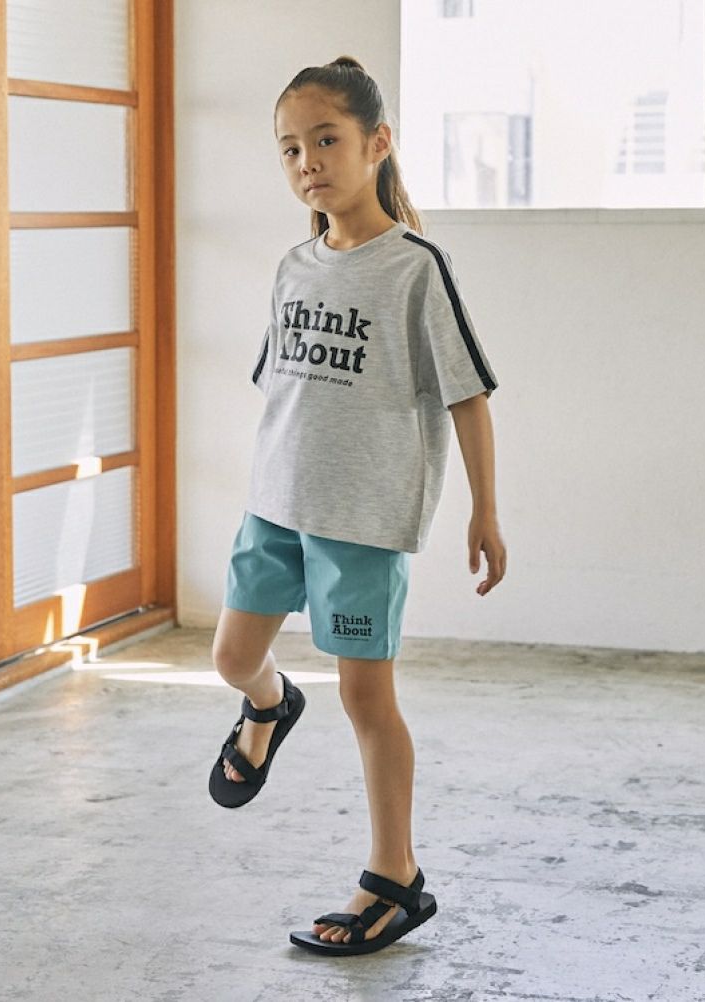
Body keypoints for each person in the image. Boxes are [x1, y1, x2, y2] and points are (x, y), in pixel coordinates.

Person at [207, 56, 507, 956]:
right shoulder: (294, 266)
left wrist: (484, 512)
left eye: (326, 139)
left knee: (366, 698)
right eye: (290, 148)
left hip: (364, 522)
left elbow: (467, 396)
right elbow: (284, 390)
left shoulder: (415, 268)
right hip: (275, 506)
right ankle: (268, 708)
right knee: (232, 659)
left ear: (378, 144)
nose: (307, 161)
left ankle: (394, 878)